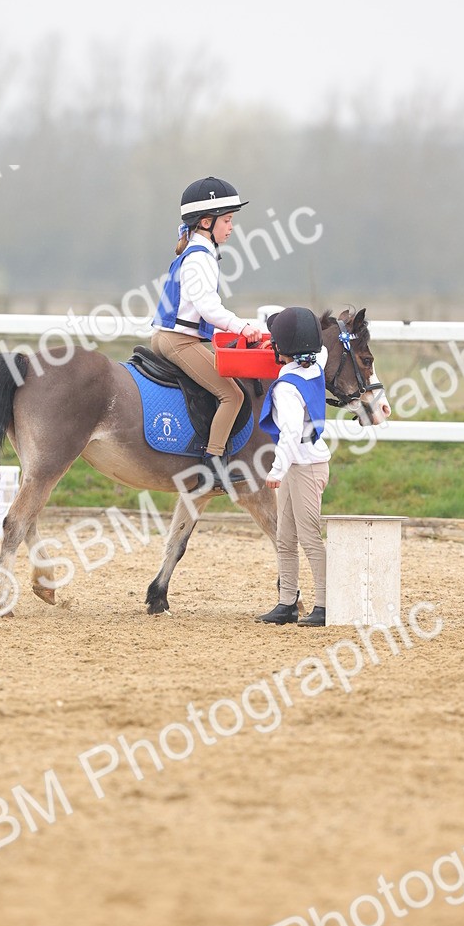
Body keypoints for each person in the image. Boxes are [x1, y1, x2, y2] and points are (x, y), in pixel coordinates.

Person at [151, 176, 264, 485]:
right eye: (226, 220)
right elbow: (208, 308)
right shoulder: (200, 257)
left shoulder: (198, 252)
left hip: (174, 337)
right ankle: (213, 464)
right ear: (206, 222)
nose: (231, 227)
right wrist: (242, 327)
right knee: (233, 395)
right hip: (179, 341)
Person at [255, 306, 331, 628]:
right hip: (302, 465)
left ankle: (326, 604)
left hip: (304, 467)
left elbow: (288, 433)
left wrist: (275, 470)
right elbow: (324, 349)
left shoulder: (286, 387)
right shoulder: (316, 366)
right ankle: (287, 602)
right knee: (285, 537)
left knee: (309, 537)